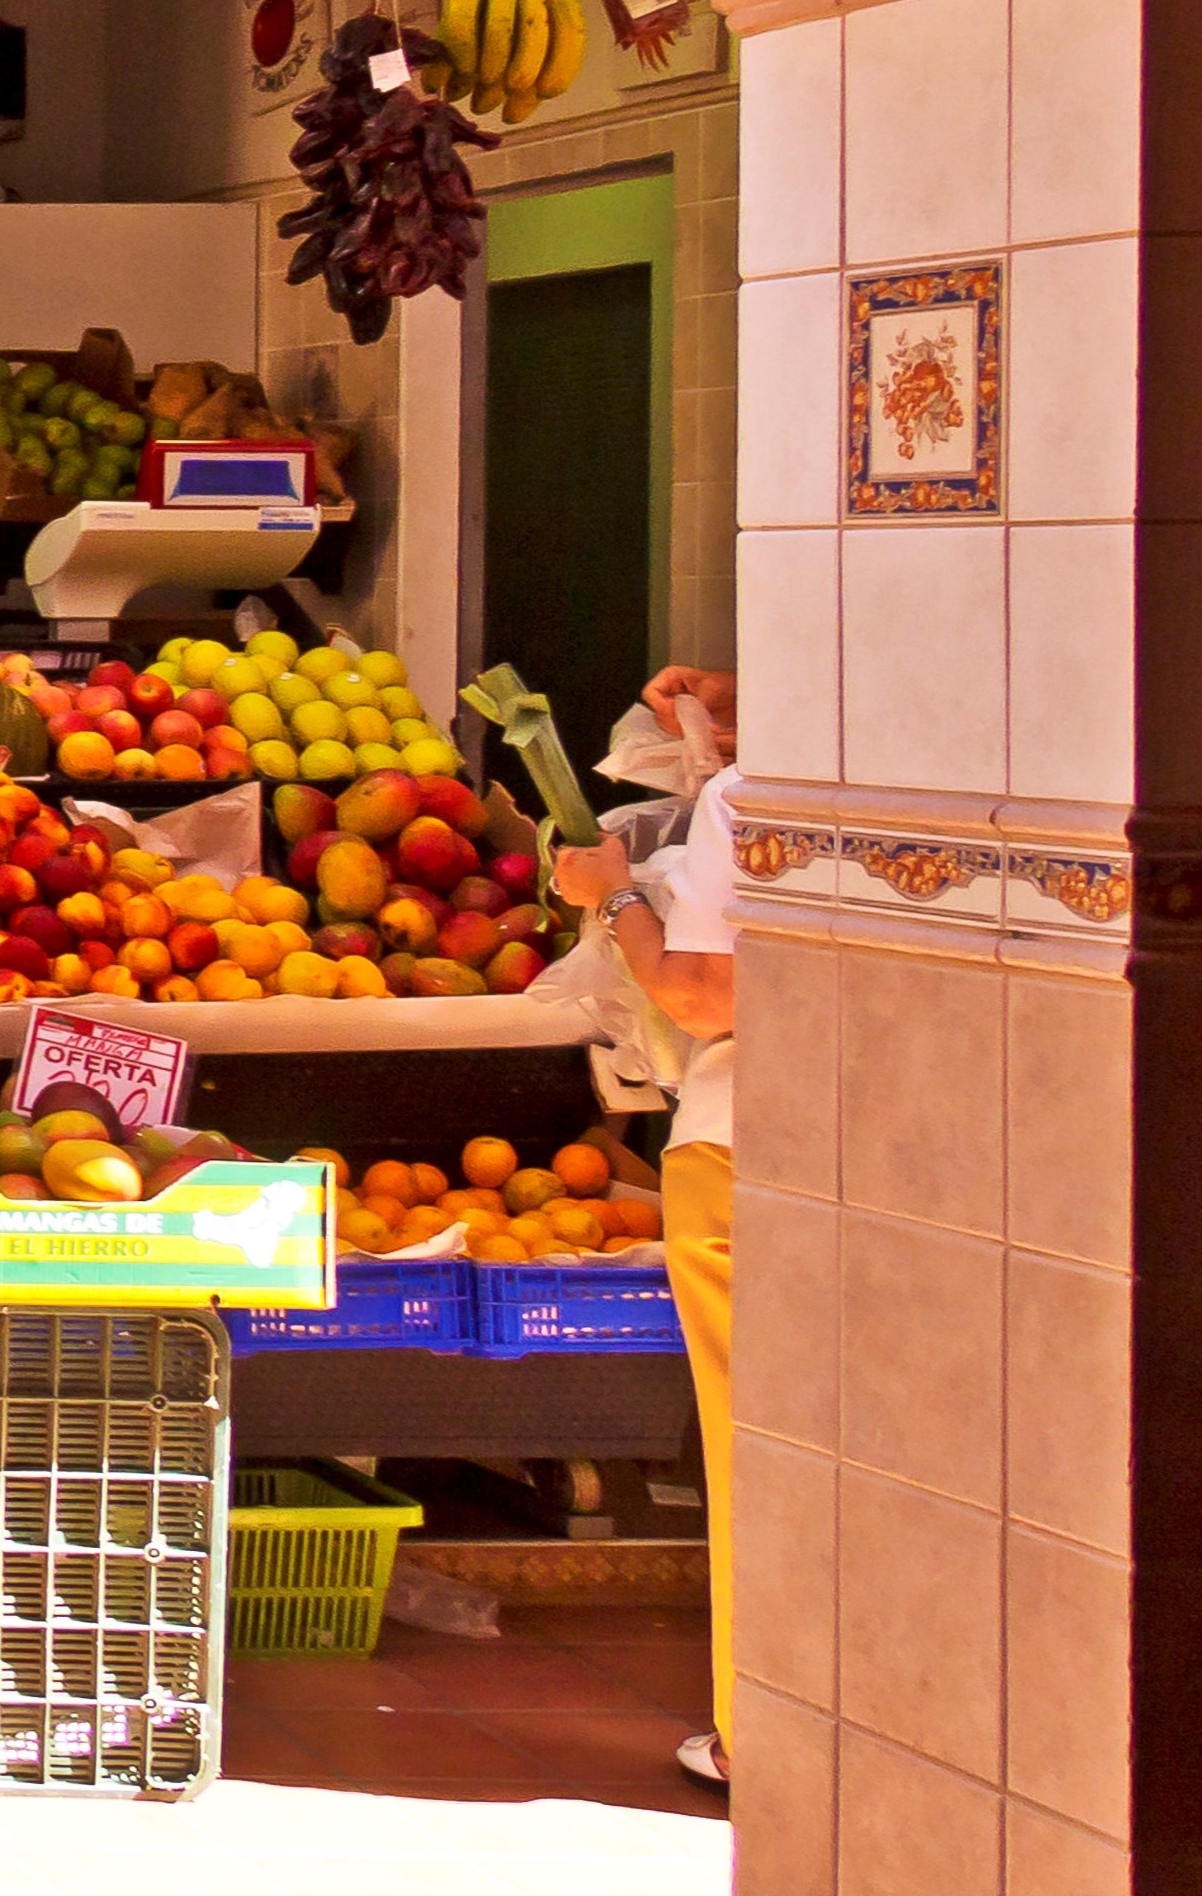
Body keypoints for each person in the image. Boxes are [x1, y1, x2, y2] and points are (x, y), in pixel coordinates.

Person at [561, 758, 738, 1793]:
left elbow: (701, 993)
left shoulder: (750, 794)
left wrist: (614, 896)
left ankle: (755, 1731)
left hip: (746, 1137)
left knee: (754, 1446)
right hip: (892, 1137)